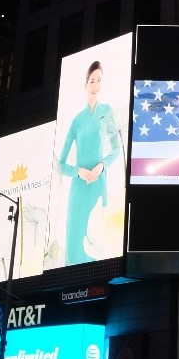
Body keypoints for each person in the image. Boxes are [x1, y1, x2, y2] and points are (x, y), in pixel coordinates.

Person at [56, 59, 120, 267]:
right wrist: (78, 171)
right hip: (78, 188)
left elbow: (116, 148)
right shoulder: (77, 120)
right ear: (86, 84)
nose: (96, 85)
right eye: (92, 81)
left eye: (99, 80)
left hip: (98, 185)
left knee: (98, 241)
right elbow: (60, 163)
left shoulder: (107, 111)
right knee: (74, 246)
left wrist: (102, 165)